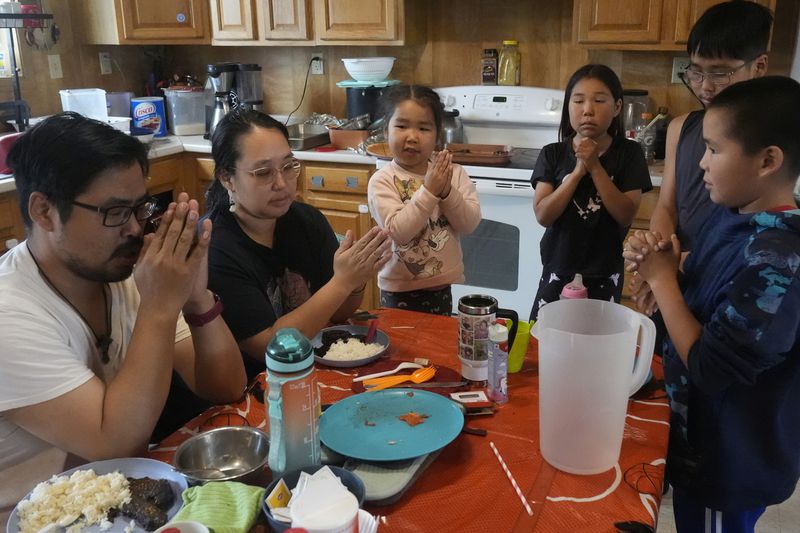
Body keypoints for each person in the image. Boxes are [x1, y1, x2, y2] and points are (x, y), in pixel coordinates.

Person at [0, 112, 247, 520]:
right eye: (114, 212)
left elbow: (224, 386)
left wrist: (196, 298)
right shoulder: (11, 314)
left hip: (116, 505)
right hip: (33, 520)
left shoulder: (122, 274)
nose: (135, 228)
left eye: (140, 207)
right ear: (44, 211)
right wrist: (160, 307)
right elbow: (114, 443)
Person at [624, 76, 800, 533]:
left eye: (714, 150)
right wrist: (664, 275)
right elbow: (706, 292)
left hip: (728, 464)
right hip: (697, 442)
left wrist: (664, 283)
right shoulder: (734, 216)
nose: (700, 164)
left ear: (768, 160)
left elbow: (711, 367)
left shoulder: (778, 263)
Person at [205, 109, 391, 380]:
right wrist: (342, 282)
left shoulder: (306, 221)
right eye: (263, 172)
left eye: (288, 166)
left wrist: (355, 279)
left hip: (310, 372)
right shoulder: (215, 249)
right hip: (256, 387)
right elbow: (270, 347)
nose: (281, 183)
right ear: (227, 178)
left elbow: (340, 312)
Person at [632, 1, 772, 315]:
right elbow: (667, 205)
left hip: (727, 283)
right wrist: (658, 257)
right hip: (677, 277)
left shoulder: (767, 145)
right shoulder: (681, 128)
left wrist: (671, 266)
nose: (705, 87)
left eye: (720, 73)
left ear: (759, 66)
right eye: (696, 71)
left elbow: (753, 237)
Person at [529, 64, 651, 320]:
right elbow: (543, 215)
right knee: (546, 337)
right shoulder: (552, 153)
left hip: (605, 271)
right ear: (568, 106)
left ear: (617, 107)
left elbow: (625, 215)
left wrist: (595, 166)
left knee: (597, 343)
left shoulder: (629, 154)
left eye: (599, 100)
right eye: (578, 100)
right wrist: (577, 173)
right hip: (557, 267)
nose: (587, 110)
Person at [367, 84, 481, 315]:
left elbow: (469, 224)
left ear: (438, 136)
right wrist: (429, 191)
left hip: (441, 286)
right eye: (401, 126)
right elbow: (398, 232)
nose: (412, 136)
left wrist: (447, 192)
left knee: (434, 349)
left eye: (423, 128)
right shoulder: (382, 180)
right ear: (386, 132)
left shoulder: (453, 173)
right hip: (398, 290)